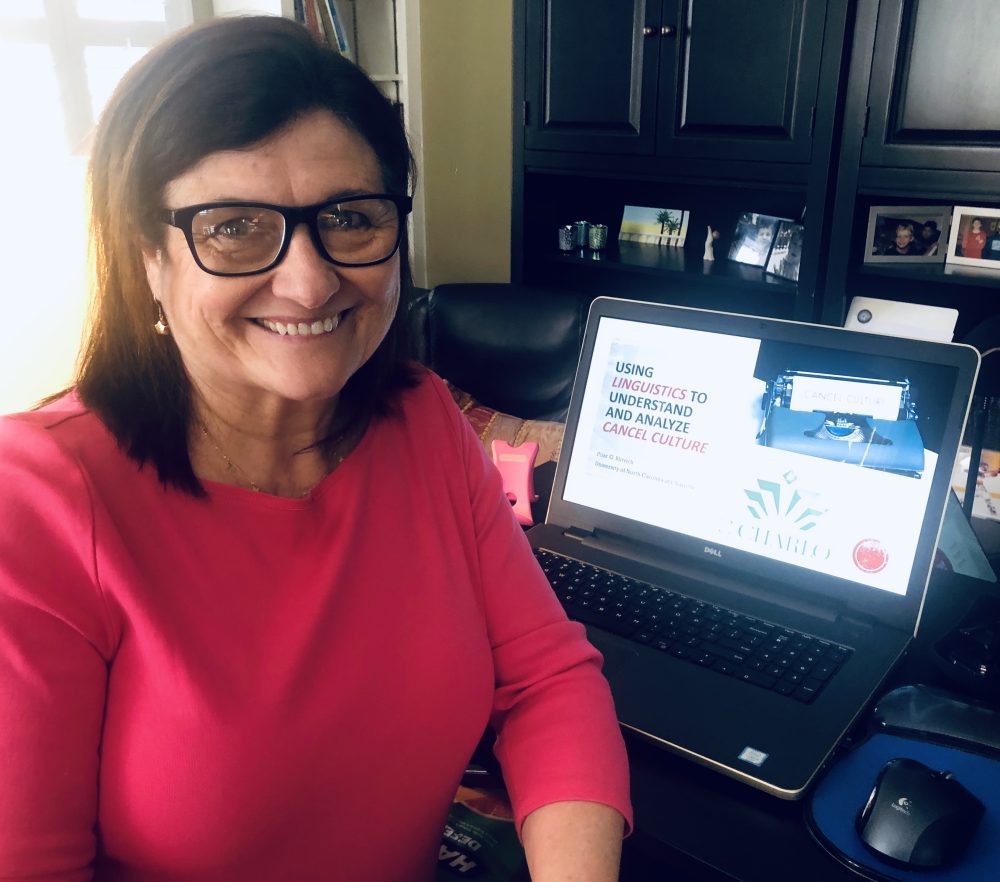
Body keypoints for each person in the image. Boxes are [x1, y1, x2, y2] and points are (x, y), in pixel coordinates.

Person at [0, 16, 631, 882]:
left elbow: (547, 682)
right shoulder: (34, 499)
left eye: (349, 217)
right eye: (232, 228)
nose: (308, 279)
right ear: (148, 252)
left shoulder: (426, 425)